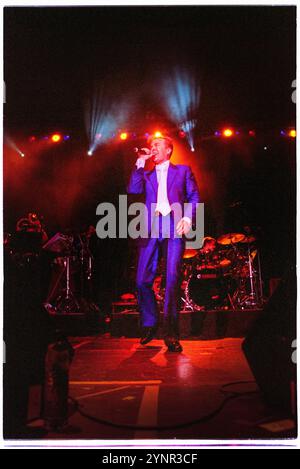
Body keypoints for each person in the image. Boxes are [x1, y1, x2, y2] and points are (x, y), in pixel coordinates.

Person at [127, 136, 201, 352]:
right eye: (151, 145)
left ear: (168, 150)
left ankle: (171, 334)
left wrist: (188, 218)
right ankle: (150, 323)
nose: (153, 147)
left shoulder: (183, 171)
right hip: (151, 227)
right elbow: (133, 189)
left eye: (157, 144)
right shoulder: (146, 173)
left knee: (171, 280)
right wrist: (141, 160)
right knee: (141, 280)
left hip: (174, 224)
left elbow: (194, 196)